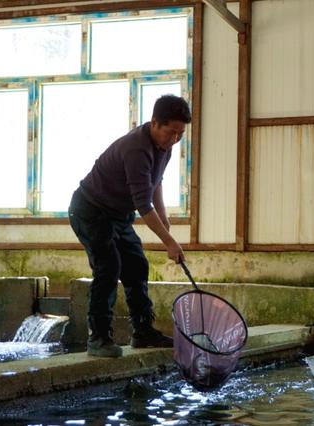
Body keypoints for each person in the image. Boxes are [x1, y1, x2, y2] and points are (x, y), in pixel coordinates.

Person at [68, 94, 191, 358]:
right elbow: (143, 205)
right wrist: (169, 242)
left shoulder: (165, 146)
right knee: (108, 266)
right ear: (155, 123)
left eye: (181, 133)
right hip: (90, 210)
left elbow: (155, 182)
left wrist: (165, 217)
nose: (175, 139)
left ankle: (143, 332)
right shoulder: (136, 148)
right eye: (172, 132)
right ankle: (98, 338)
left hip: (117, 214)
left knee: (137, 264)